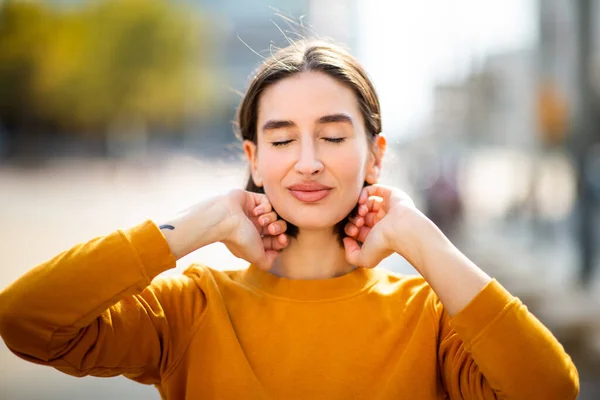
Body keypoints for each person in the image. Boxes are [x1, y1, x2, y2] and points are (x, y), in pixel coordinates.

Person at [0, 39, 579, 399]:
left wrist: (422, 238)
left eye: (332, 135)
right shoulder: (189, 309)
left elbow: (549, 388)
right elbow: (25, 320)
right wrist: (200, 223)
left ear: (376, 155)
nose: (307, 162)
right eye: (280, 141)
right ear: (252, 158)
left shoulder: (429, 320)